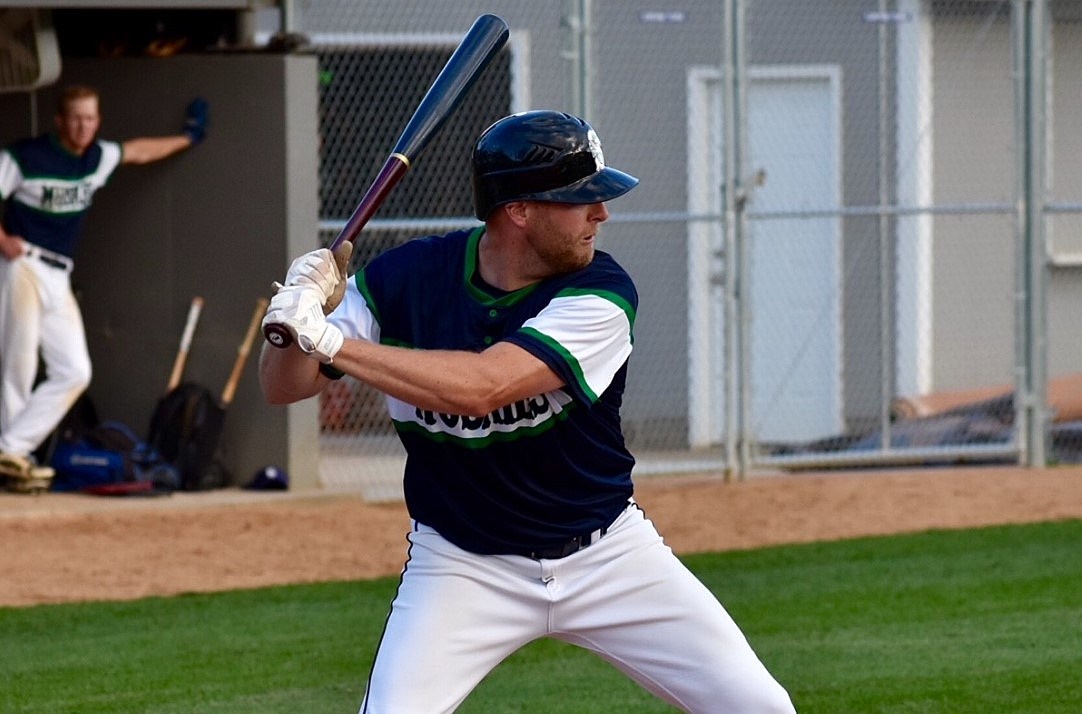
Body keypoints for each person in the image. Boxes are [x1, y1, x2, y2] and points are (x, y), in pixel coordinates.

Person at [259, 110, 795, 713]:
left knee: (762, 708)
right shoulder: (406, 279)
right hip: (462, 565)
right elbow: (284, 388)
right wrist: (291, 322)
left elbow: (484, 387)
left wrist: (328, 340)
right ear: (519, 210)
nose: (602, 213)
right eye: (581, 199)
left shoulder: (602, 294)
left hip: (608, 557)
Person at [0, 85, 208, 492]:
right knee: (18, 366)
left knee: (75, 369)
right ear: (60, 120)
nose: (83, 126)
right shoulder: (26, 155)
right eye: (75, 118)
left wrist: (188, 137)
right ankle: (13, 460)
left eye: (91, 118)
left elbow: (138, 151)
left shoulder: (96, 158)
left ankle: (11, 449)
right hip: (20, 264)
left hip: (59, 272)